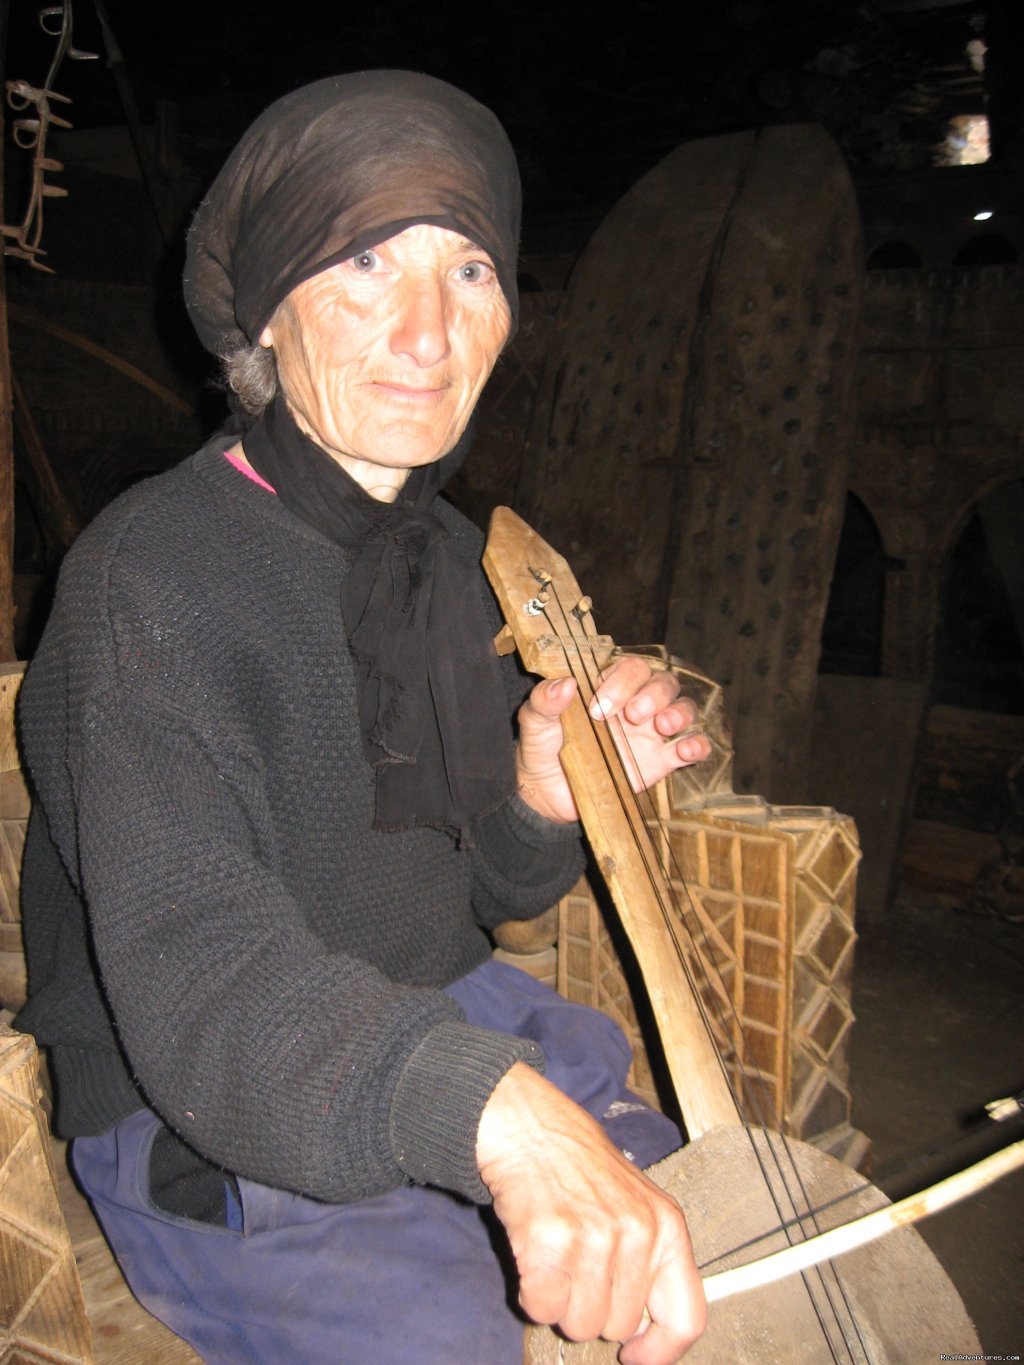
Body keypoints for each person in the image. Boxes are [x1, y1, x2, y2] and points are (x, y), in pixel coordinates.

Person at [16, 70, 709, 1363]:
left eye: (471, 272)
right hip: (207, 1092)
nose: (428, 336)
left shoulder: (449, 559)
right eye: (365, 263)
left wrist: (542, 791)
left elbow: (489, 893)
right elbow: (201, 966)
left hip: (433, 1019)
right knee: (459, 1337)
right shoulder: (148, 575)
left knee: (710, 1245)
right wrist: (495, 1110)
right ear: (265, 315)